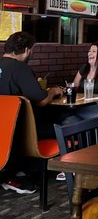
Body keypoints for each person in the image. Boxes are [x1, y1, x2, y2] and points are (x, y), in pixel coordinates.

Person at [0, 31, 63, 194]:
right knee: (66, 127)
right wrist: (53, 91)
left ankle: (17, 171)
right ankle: (68, 169)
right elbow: (42, 101)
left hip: (3, 131)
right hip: (22, 132)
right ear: (27, 50)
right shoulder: (20, 68)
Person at [59, 41, 98, 126]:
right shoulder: (84, 68)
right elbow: (74, 87)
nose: (89, 53)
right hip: (81, 107)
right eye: (89, 51)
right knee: (60, 115)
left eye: (94, 51)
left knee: (67, 120)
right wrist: (64, 90)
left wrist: (83, 99)